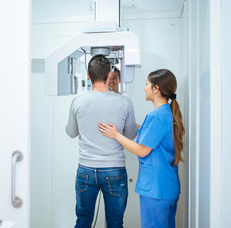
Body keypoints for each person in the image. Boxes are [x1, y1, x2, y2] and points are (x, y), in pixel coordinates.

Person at [98, 69, 185, 228]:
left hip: (155, 190)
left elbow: (142, 150)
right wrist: (125, 125)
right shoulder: (164, 113)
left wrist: (116, 135)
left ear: (156, 89)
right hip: (166, 188)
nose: (144, 88)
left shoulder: (157, 116)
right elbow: (148, 132)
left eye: (146, 84)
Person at [66, 55, 138, 228]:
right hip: (114, 170)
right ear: (109, 75)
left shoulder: (78, 102)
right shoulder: (124, 102)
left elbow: (71, 132)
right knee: (114, 223)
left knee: (83, 221)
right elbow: (131, 135)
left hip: (86, 170)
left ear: (88, 76)